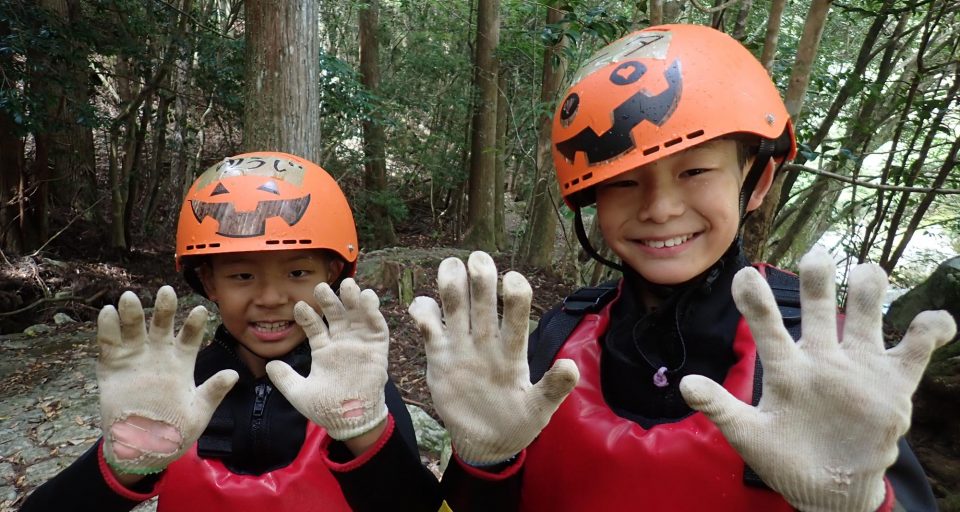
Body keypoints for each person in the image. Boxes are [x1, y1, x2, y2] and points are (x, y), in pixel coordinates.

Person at [408, 24, 957, 511]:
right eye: (623, 182)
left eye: (694, 171)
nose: (660, 208)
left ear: (757, 181)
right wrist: (484, 462)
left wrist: (858, 504)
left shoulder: (818, 353)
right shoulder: (556, 339)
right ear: (592, 200)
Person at [21, 152, 441, 511]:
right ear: (208, 283)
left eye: (297, 272)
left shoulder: (360, 390)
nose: (270, 297)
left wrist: (365, 437)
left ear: (331, 274)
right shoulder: (175, 390)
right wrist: (121, 467)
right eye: (242, 275)